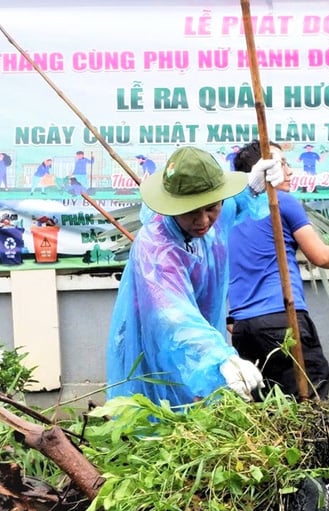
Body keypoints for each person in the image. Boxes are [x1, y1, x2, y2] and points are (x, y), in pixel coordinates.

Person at [106, 145, 284, 407]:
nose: (203, 220)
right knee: (158, 419)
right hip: (158, 348)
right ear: (173, 205)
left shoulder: (212, 217)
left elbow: (233, 204)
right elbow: (173, 317)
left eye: (211, 208)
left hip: (201, 346)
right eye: (192, 212)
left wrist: (252, 187)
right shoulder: (157, 248)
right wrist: (220, 358)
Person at [229, 141, 329, 400]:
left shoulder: (228, 211)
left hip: (242, 327)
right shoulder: (281, 202)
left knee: (265, 409)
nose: (289, 171)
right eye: (282, 164)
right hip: (282, 318)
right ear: (261, 170)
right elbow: (321, 256)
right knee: (309, 402)